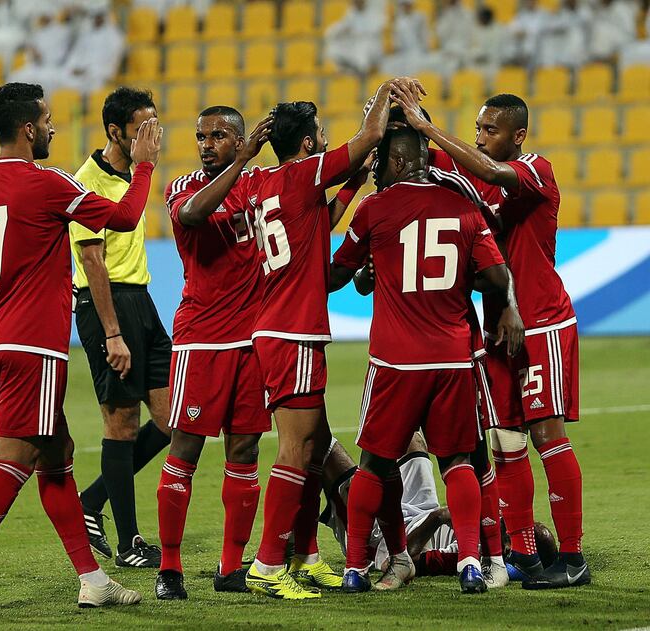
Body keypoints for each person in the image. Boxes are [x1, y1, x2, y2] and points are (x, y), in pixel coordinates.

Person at [0, 82, 162, 616]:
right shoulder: (49, 183)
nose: (52, 128)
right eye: (47, 120)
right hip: (33, 344)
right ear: (29, 128)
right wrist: (143, 167)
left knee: (57, 457)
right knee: (16, 458)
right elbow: (122, 219)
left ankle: (92, 579)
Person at [392, 87, 589, 589]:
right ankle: (523, 550)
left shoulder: (534, 170)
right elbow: (421, 152)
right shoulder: (478, 178)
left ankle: (572, 556)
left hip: (542, 323)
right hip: (498, 329)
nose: (480, 138)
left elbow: (490, 171)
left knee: (547, 436)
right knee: (504, 443)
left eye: (490, 130)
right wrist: (406, 117)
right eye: (477, 129)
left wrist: (432, 129)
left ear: (518, 136)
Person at [328, 121, 524, 594]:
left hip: (396, 360)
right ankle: (473, 564)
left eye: (380, 163)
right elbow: (497, 278)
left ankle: (356, 567)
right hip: (455, 356)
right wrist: (465, 284)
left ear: (396, 161)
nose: (376, 171)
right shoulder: (462, 205)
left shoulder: (373, 208)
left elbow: (337, 273)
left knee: (374, 463)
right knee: (459, 460)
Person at [243, 82, 399, 600]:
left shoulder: (269, 182)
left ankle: (306, 554)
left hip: (279, 326)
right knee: (295, 448)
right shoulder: (303, 173)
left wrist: (353, 185)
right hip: (292, 330)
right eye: (322, 136)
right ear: (309, 145)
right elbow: (371, 132)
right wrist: (385, 93)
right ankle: (268, 565)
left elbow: (320, 221)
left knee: (313, 449)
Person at [154, 107, 274, 600]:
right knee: (185, 450)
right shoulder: (184, 186)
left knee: (244, 451)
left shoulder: (261, 185)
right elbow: (192, 216)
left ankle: (229, 567)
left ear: (241, 138)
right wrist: (240, 160)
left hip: (253, 340)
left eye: (219, 136)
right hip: (201, 340)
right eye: (201, 136)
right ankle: (170, 568)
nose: (206, 144)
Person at [71, 87, 172, 569]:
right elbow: (92, 261)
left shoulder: (131, 175)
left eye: (155, 125)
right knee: (122, 422)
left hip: (142, 301)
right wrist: (112, 332)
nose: (153, 136)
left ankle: (91, 500)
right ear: (116, 131)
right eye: (143, 128)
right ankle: (131, 542)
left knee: (173, 419)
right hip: (105, 305)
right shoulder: (87, 182)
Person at [320, 436, 559, 577]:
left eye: (525, 535)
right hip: (422, 507)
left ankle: (299, 551)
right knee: (411, 435)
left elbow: (403, 560)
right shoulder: (500, 521)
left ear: (510, 550)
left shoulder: (465, 554)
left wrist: (440, 516)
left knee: (324, 448)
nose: (521, 528)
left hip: (383, 540)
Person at [324, 0, 385, 76]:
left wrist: (354, 31)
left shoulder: (375, 13)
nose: (356, 3)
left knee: (363, 47)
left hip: (371, 45)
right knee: (333, 48)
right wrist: (343, 31)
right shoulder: (352, 12)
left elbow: (375, 30)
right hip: (355, 42)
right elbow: (336, 29)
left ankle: (362, 70)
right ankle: (349, 70)